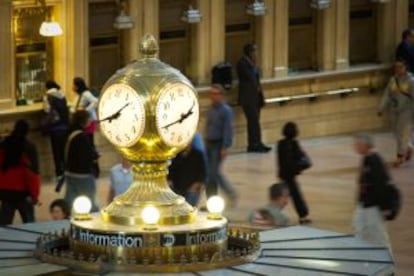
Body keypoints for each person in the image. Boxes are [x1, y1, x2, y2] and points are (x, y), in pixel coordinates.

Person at [352, 134, 390, 247]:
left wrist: (384, 207)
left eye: (357, 145)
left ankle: (387, 262)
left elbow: (381, 185)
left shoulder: (375, 160)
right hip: (364, 204)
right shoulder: (367, 158)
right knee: (358, 228)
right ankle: (365, 256)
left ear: (365, 145)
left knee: (378, 236)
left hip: (373, 206)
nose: (355, 147)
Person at [0, 120, 40, 225]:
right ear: (27, 132)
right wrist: (35, 195)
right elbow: (33, 174)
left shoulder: (3, 145)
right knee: (30, 224)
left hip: (5, 192)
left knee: (4, 225)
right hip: (24, 193)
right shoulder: (29, 147)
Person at [205, 84, 238, 205]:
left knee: (214, 173)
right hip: (209, 144)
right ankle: (210, 200)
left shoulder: (226, 111)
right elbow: (208, 126)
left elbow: (228, 129)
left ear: (221, 95)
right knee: (208, 174)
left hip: (218, 145)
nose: (212, 97)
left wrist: (225, 147)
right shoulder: (211, 109)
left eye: (215, 94)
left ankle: (230, 193)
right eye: (211, 94)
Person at [378, 60, 414, 166]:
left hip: (407, 111)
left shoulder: (411, 81)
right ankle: (409, 147)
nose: (398, 69)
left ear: (405, 68)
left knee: (403, 133)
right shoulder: (393, 80)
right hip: (394, 110)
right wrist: (381, 108)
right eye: (396, 67)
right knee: (396, 132)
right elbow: (387, 94)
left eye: (400, 67)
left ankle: (400, 156)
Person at [237, 43, 271, 153]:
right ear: (249, 52)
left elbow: (257, 80)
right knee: (253, 121)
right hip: (248, 98)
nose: (256, 54)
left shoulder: (253, 64)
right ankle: (253, 144)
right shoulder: (242, 64)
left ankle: (258, 142)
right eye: (254, 52)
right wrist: (253, 66)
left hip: (256, 97)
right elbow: (250, 78)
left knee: (256, 121)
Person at [277, 122, 311, 224]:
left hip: (283, 175)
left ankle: (274, 215)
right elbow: (300, 158)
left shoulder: (280, 144)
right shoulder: (294, 144)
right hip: (290, 176)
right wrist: (299, 168)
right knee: (296, 197)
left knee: (282, 197)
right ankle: (303, 216)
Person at [64, 110, 99, 212]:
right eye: (89, 119)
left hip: (70, 173)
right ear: (84, 121)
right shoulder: (82, 137)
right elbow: (88, 156)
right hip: (84, 175)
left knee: (70, 203)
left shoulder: (69, 133)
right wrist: (95, 156)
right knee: (90, 202)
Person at [43, 80, 69, 189]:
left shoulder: (47, 96)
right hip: (65, 127)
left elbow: (46, 109)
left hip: (55, 128)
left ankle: (59, 174)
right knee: (64, 151)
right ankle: (67, 172)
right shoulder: (62, 94)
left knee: (56, 152)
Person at [73, 77, 98, 141]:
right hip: (84, 120)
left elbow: (95, 101)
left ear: (78, 86)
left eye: (74, 85)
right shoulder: (80, 95)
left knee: (88, 139)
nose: (72, 87)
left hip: (88, 120)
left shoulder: (86, 94)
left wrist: (85, 110)